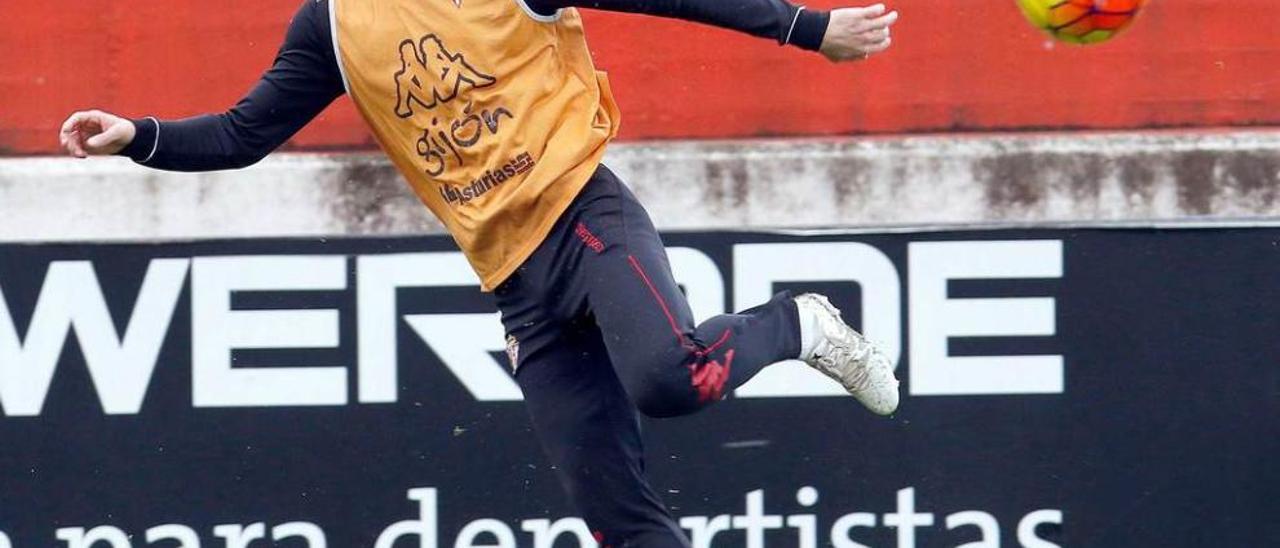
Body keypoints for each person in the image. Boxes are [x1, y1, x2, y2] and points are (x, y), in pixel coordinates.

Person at [59, 0, 900, 544]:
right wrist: (136, 135)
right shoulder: (332, 27)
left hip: (584, 218)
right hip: (519, 286)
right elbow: (243, 134)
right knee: (619, 520)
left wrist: (803, 27)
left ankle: (799, 324)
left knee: (672, 379)